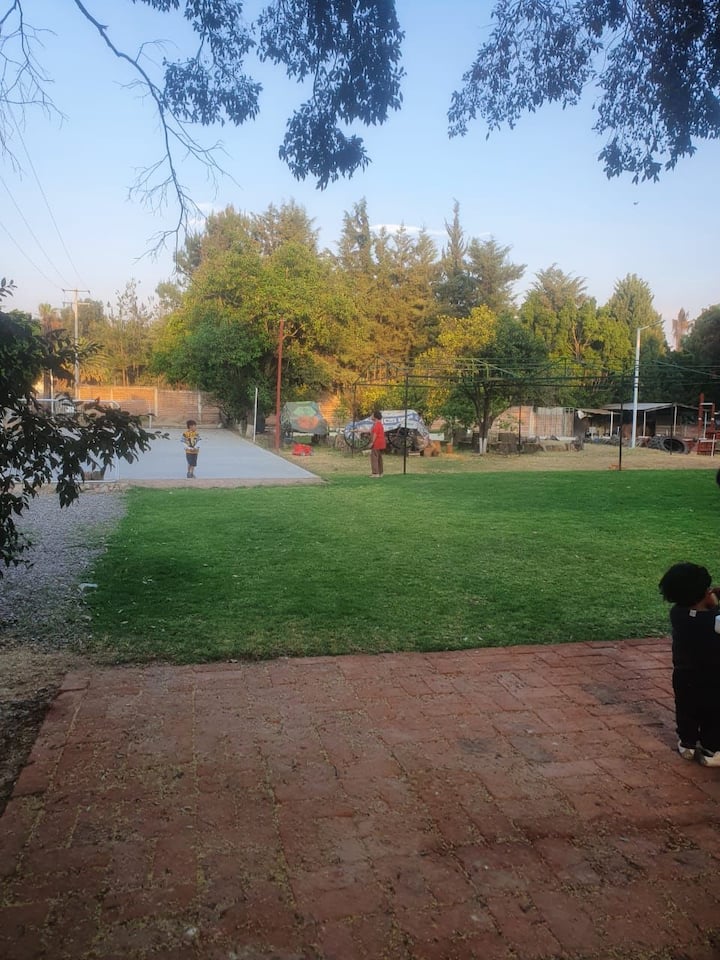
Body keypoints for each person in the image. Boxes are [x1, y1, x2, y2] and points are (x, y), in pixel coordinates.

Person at [658, 562, 720, 766]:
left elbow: (700, 614)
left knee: (686, 709)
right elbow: (713, 616)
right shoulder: (713, 619)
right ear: (704, 593)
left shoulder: (677, 614)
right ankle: (712, 750)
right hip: (714, 678)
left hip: (684, 675)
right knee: (713, 713)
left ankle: (688, 744)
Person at [369, 410, 386, 478]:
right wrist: (358, 430)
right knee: (379, 458)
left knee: (374, 458)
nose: (371, 416)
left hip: (377, 443)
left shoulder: (376, 424)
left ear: (375, 417)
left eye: (372, 415)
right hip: (381, 443)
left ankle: (375, 473)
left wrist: (372, 443)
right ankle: (380, 472)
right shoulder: (379, 424)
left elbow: (375, 434)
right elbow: (370, 431)